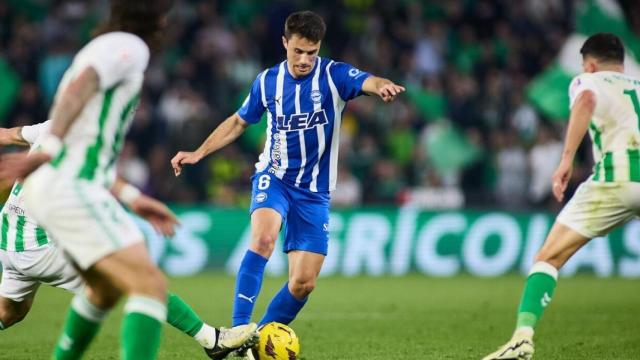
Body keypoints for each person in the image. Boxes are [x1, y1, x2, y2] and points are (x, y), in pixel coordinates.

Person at [0, 1, 257, 359]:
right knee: (145, 284)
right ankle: (212, 341)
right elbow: (83, 86)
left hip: (24, 225)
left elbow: (65, 151)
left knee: (42, 305)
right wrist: (50, 148)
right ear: (154, 18)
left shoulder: (102, 61)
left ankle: (212, 341)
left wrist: (133, 196)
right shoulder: (130, 47)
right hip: (45, 223)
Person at [171, 10, 405, 359]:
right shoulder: (267, 82)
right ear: (285, 44)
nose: (305, 60)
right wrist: (198, 152)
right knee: (264, 238)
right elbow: (238, 121)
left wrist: (380, 86)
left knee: (303, 283)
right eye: (298, 51)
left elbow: (367, 80)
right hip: (274, 177)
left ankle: (256, 341)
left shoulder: (333, 75)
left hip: (315, 192)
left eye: (312, 52)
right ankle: (237, 330)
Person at [0, 120, 256, 359]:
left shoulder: (53, 125)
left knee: (10, 313)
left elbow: (9, 135)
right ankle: (213, 340)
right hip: (38, 245)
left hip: (9, 237)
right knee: (142, 282)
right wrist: (135, 198)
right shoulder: (84, 138)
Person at [483, 32, 640, 360]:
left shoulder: (588, 81)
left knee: (548, 258)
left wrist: (566, 159)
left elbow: (585, 102)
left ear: (590, 64)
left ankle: (522, 339)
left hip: (615, 181)